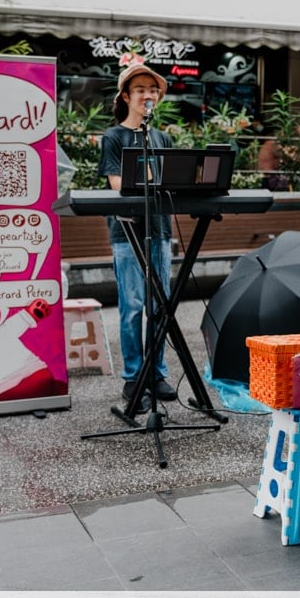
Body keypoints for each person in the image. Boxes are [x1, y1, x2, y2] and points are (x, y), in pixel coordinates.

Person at [97, 63, 178, 411]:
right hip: (128, 232)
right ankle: (134, 377)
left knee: (160, 307)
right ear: (126, 96)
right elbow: (119, 185)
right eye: (141, 89)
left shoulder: (162, 138)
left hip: (159, 231)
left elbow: (172, 182)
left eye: (153, 89)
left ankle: (156, 373)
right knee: (132, 307)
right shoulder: (114, 137)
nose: (149, 95)